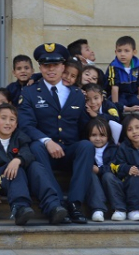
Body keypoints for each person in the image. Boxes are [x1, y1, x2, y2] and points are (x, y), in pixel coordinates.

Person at [18, 43, 92, 224]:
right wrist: (47, 141)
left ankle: (74, 204)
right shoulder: (29, 92)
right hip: (44, 152)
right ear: (40, 67)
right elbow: (26, 125)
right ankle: (57, 203)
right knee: (36, 145)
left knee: (87, 146)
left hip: (69, 150)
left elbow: (84, 126)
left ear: (63, 67)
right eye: (46, 65)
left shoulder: (76, 93)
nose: (51, 69)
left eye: (55, 65)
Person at [0, 104, 67, 225]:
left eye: (12, 119)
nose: (7, 123)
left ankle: (53, 207)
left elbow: (27, 153)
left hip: (23, 179)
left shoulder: (20, 137)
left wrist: (18, 160)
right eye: (3, 118)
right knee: (16, 170)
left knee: (36, 166)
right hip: (2, 179)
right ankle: (20, 209)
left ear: (16, 124)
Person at [84, 118, 125, 222]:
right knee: (90, 175)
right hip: (93, 182)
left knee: (107, 175)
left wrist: (100, 170)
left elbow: (115, 165)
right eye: (94, 135)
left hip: (111, 180)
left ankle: (119, 208)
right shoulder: (86, 149)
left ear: (108, 136)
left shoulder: (114, 149)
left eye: (102, 135)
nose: (98, 138)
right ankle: (98, 209)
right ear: (88, 136)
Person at [105, 36, 139, 113]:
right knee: (120, 104)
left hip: (131, 95)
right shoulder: (113, 67)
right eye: (119, 51)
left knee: (137, 104)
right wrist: (116, 106)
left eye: (126, 51)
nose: (122, 54)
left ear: (134, 52)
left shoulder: (138, 66)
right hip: (118, 95)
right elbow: (114, 88)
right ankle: (123, 108)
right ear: (115, 52)